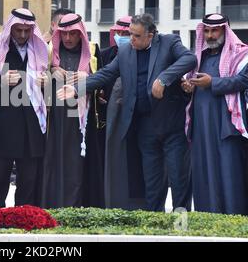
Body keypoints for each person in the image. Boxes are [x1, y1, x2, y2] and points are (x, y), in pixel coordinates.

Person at [57, 13, 196, 212]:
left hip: (170, 124)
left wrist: (164, 79)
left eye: (136, 36)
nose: (131, 39)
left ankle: (181, 224)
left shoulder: (168, 42)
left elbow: (189, 58)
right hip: (144, 126)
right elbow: (105, 74)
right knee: (152, 181)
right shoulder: (125, 51)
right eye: (130, 34)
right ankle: (155, 224)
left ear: (151, 35)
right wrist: (78, 88)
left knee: (178, 178)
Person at [0, 8, 48, 207]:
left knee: (29, 179)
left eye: (27, 31)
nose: (22, 35)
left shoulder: (41, 48)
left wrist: (48, 83)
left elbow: (51, 86)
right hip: (3, 122)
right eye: (18, 30)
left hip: (32, 122)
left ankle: (25, 221)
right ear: (10, 27)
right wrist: (0, 81)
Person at [183, 13, 248, 215]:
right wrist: (187, 85)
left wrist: (213, 83)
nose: (210, 35)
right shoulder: (199, 58)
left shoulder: (242, 55)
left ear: (225, 31)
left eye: (215, 30)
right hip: (201, 128)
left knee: (229, 174)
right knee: (204, 173)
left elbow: (243, 80)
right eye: (207, 31)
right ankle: (208, 220)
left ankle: (234, 221)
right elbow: (191, 81)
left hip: (227, 126)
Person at [41, 13, 104, 208]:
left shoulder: (93, 51)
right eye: (64, 34)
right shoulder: (49, 51)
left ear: (81, 35)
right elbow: (36, 79)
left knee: (79, 164)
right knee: (57, 163)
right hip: (57, 118)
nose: (68, 39)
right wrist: (51, 72)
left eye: (73, 34)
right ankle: (55, 207)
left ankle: (81, 206)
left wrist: (86, 77)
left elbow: (103, 81)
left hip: (83, 121)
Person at [101, 16, 147, 210]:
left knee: (138, 163)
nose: (122, 37)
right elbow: (101, 77)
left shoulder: (144, 53)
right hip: (111, 119)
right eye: (118, 33)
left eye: (126, 34)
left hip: (140, 119)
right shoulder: (105, 54)